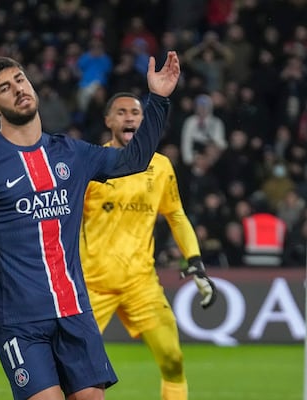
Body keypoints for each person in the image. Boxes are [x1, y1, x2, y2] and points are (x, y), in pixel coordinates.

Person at [0, 52, 181, 400]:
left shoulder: (70, 153)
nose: (18, 89)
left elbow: (135, 159)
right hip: (18, 318)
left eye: (20, 80)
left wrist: (159, 99)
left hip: (75, 310)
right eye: (5, 88)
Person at [79, 91, 217, 400]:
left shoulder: (161, 166)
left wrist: (194, 260)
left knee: (173, 359)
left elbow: (176, 215)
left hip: (141, 283)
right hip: (91, 284)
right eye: (121, 112)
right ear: (108, 121)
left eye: (135, 112)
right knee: (74, 374)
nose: (129, 117)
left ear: (143, 120)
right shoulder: (92, 164)